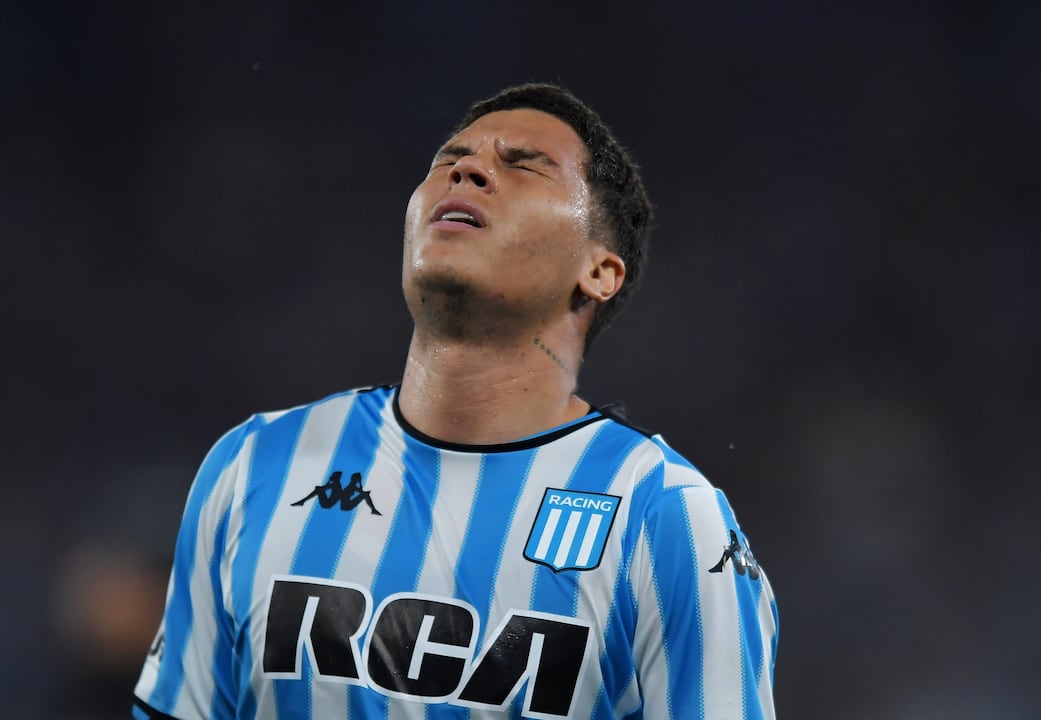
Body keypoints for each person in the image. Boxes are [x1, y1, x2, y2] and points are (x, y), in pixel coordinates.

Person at [132, 83, 778, 720]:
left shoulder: (664, 517)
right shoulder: (258, 463)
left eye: (525, 165)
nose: (468, 170)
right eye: (449, 160)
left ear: (599, 271)